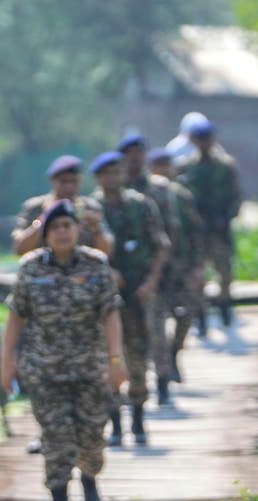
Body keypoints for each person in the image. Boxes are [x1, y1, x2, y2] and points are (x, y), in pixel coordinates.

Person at [0, 199, 127, 501]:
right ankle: (59, 498)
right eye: (55, 227)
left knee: (92, 434)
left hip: (90, 367)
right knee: (55, 436)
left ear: (77, 229)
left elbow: (111, 314)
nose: (62, 232)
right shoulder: (30, 268)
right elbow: (16, 318)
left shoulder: (96, 265)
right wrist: (6, 362)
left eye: (67, 225)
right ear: (45, 233)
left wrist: (116, 360)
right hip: (44, 369)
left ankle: (89, 476)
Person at [90, 150, 169, 447]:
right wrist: (107, 270)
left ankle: (137, 416)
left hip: (138, 292)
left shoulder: (141, 205)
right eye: (107, 173)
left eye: (117, 172)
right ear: (98, 178)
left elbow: (161, 246)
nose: (113, 178)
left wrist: (151, 282)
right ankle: (115, 421)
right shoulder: (89, 210)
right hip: (104, 299)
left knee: (138, 355)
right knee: (108, 356)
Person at [119, 133, 183, 407]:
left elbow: (172, 231)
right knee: (128, 336)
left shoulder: (160, 189)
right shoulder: (113, 189)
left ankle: (163, 381)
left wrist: (164, 271)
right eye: (129, 152)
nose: (135, 157)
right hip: (122, 277)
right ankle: (132, 388)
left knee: (156, 330)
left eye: (139, 151)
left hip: (156, 273)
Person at [178, 116, 242, 327]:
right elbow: (181, 199)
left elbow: (236, 197)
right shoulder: (186, 167)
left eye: (207, 138)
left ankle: (225, 305)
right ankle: (201, 311)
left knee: (225, 271)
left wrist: (227, 217)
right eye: (199, 138)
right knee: (198, 273)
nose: (204, 142)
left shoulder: (226, 166)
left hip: (219, 227)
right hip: (198, 231)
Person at [148, 146, 206, 368]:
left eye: (165, 165)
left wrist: (198, 266)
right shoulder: (145, 195)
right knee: (156, 321)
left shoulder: (181, 196)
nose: (162, 170)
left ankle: (174, 353)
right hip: (155, 270)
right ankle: (162, 366)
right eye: (157, 165)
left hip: (181, 267)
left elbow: (195, 232)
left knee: (186, 314)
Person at [11, 155, 114, 257]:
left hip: (84, 269)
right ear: (52, 181)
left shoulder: (90, 207)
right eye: (63, 181)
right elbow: (20, 249)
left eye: (74, 181)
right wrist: (43, 221)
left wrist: (96, 229)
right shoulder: (35, 207)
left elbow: (106, 252)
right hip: (42, 269)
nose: (69, 186)